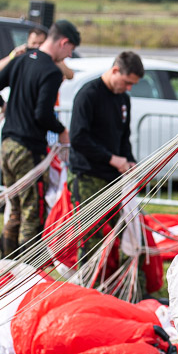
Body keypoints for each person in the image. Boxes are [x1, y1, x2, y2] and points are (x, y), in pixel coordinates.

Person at [0, 19, 80, 258]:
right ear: (63, 42)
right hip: (28, 148)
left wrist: (5, 106)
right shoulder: (49, 71)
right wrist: (61, 129)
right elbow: (42, 114)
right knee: (32, 212)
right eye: (69, 51)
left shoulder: (20, 60)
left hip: (7, 144)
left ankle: (6, 264)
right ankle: (29, 271)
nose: (67, 57)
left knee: (15, 209)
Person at [68, 51, 143, 259]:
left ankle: (110, 282)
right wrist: (111, 158)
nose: (128, 88)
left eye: (132, 85)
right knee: (90, 235)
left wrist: (129, 160)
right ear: (115, 70)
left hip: (113, 177)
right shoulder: (88, 94)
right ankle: (88, 286)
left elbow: (123, 136)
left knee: (117, 232)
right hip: (88, 175)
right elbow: (78, 138)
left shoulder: (123, 100)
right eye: (127, 82)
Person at [0, 24, 73, 81]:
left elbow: (70, 75)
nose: (37, 47)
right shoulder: (22, 56)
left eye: (40, 43)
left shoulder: (51, 58)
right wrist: (13, 55)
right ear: (28, 42)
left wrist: (54, 59)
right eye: (34, 43)